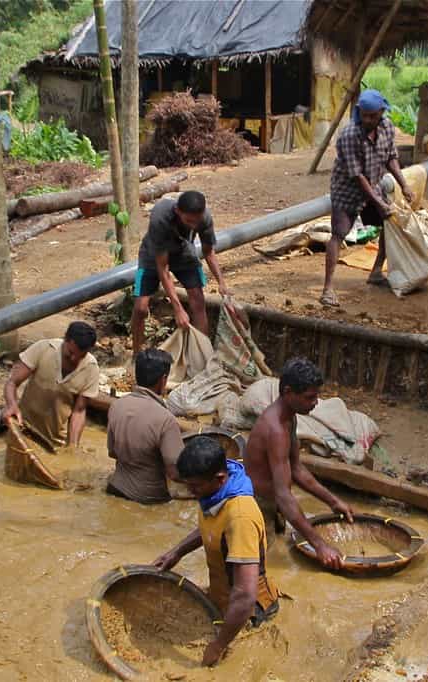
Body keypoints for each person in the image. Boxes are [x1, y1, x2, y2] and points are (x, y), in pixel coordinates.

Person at [153, 436, 281, 667]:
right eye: (187, 484)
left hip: (249, 614)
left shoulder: (240, 517)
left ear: (220, 478)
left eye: (194, 487)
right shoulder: (214, 496)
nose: (190, 492)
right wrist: (177, 551)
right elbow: (212, 526)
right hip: (221, 597)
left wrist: (218, 645)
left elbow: (244, 596)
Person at [243, 357, 354, 569]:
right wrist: (320, 545)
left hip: (271, 503)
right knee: (260, 566)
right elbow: (283, 495)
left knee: (275, 548)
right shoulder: (275, 430)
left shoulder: (289, 417)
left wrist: (332, 501)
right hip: (254, 506)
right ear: (288, 392)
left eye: (317, 396)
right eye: (309, 397)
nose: (315, 402)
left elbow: (296, 468)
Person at [322, 89, 414, 308]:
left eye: (372, 116)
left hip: (373, 185)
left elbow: (391, 158)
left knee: (387, 224)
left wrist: (404, 184)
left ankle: (375, 271)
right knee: (338, 234)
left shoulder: (388, 128)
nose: (367, 120)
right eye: (364, 115)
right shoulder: (349, 136)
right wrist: (379, 203)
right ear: (359, 112)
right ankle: (327, 289)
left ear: (381, 112)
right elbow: (357, 176)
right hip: (347, 189)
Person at [131, 191, 230, 355]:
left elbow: (208, 252)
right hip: (153, 254)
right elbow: (163, 269)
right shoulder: (160, 218)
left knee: (198, 300)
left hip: (183, 251)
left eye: (196, 222)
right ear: (177, 211)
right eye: (189, 221)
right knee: (141, 308)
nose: (193, 226)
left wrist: (221, 282)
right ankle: (137, 354)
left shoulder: (204, 219)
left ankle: (203, 356)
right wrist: (177, 308)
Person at [1, 321, 100, 451]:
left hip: (56, 441)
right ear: (65, 339)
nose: (74, 359)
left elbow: (79, 411)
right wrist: (12, 405)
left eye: (80, 356)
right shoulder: (43, 348)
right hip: (24, 429)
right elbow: (12, 383)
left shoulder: (91, 368)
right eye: (70, 353)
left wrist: (72, 446)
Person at [106, 348, 185, 504]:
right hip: (148, 499)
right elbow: (175, 473)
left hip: (114, 489)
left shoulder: (117, 405)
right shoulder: (165, 419)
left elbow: (112, 452)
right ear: (163, 380)